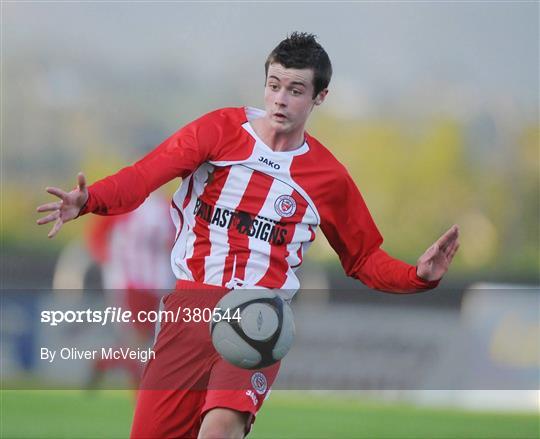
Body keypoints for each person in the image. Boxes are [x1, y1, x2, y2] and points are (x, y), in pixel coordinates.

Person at [37, 32, 460, 438]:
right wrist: (89, 200)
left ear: (319, 97)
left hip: (259, 317)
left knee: (219, 430)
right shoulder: (218, 130)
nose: (280, 98)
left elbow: (364, 258)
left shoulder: (328, 178)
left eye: (295, 90)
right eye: (274, 85)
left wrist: (417, 276)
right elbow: (144, 176)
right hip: (188, 309)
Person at [85, 193, 175, 387]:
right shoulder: (124, 204)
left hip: (157, 285)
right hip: (130, 283)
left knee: (148, 344)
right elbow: (96, 235)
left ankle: (104, 361)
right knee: (140, 344)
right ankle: (139, 399)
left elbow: (177, 241)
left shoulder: (166, 207)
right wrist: (109, 261)